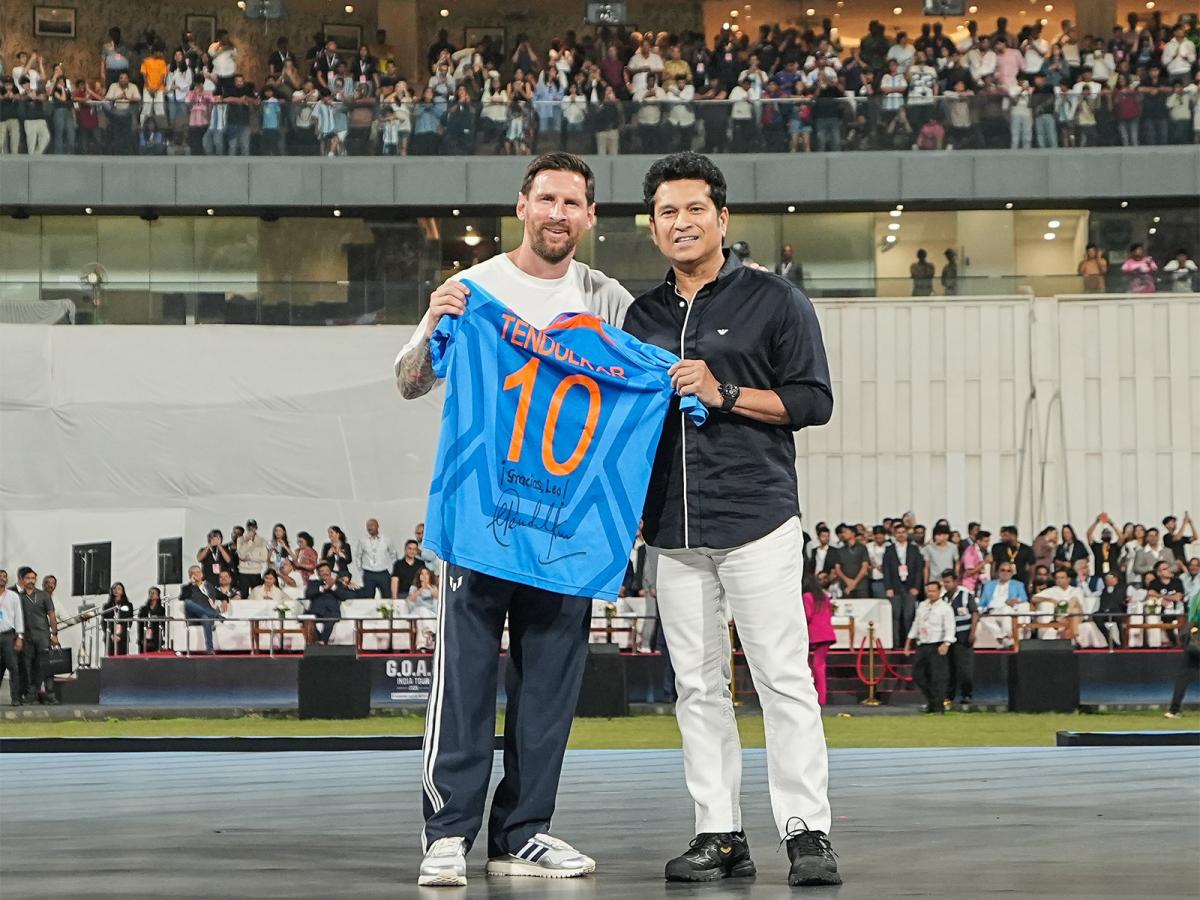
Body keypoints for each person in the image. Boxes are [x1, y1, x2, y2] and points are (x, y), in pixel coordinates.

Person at [394, 153, 633, 887]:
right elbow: (409, 381)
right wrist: (435, 320)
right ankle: (447, 834)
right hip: (482, 520)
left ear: (589, 216)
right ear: (522, 205)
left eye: (573, 202)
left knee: (550, 690)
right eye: (547, 198)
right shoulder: (474, 289)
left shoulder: (608, 298)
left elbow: (643, 386)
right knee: (464, 681)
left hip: (566, 528)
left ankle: (523, 833)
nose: (559, 213)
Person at [622, 152, 840, 888]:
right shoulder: (641, 317)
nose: (680, 223)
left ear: (722, 218)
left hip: (756, 518)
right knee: (696, 688)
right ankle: (719, 833)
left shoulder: (776, 301)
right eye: (666, 212)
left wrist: (725, 393)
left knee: (782, 679)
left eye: (694, 209)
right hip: (673, 531)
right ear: (653, 227)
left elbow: (813, 401)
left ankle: (807, 833)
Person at [904, 581, 956, 713]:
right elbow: (916, 623)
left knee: (938, 677)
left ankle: (938, 706)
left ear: (939, 592)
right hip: (923, 644)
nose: (931, 594)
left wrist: (946, 643)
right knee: (918, 675)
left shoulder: (945, 608)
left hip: (937, 644)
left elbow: (950, 627)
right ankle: (931, 700)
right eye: (929, 591)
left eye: (933, 591)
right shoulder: (922, 605)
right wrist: (908, 641)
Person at [15, 567, 58, 704]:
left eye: (33, 578)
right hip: (26, 637)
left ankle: (50, 694)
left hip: (43, 636)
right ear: (22, 580)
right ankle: (31, 694)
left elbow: (52, 615)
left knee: (47, 665)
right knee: (28, 667)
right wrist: (19, 637)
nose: (31, 581)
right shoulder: (18, 597)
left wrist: (54, 634)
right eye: (28, 578)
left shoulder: (44, 595)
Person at [941, 569, 977, 708]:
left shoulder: (966, 596)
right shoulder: (943, 599)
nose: (946, 585)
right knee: (949, 669)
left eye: (948, 582)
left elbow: (975, 613)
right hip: (948, 639)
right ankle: (948, 696)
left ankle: (966, 695)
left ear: (956, 581)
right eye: (944, 582)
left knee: (965, 669)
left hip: (963, 636)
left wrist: (972, 632)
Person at [884, 522, 924, 648]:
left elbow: (919, 570)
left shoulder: (914, 549)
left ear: (907, 534)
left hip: (910, 587)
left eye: (903, 532)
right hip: (894, 587)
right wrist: (888, 587)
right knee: (895, 616)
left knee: (909, 616)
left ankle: (909, 643)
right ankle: (896, 644)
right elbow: (886, 570)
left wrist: (916, 587)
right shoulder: (889, 549)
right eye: (898, 533)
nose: (901, 535)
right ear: (894, 534)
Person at [1164, 595, 1200, 719]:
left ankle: (1173, 710)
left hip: (1192, 640)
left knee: (1183, 677)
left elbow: (1192, 618)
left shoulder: (1196, 596)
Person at [803, 573, 836, 705]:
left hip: (815, 633)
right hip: (827, 633)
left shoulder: (807, 596)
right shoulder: (824, 597)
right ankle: (821, 698)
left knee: (811, 665)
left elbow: (808, 615)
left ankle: (813, 697)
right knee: (820, 665)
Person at [180, 565, 224, 653]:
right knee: (187, 602)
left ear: (202, 574)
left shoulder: (208, 586)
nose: (197, 574)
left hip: (205, 615)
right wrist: (193, 584)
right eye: (194, 573)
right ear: (191, 575)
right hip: (193, 616)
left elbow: (221, 595)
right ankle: (215, 614)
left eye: (199, 572)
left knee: (205, 618)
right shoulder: (187, 588)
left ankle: (210, 649)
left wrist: (225, 600)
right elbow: (182, 597)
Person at [305, 563, 350, 644]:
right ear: (318, 574)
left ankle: (322, 641)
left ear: (330, 572)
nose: (325, 573)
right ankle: (318, 640)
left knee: (330, 619)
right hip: (316, 611)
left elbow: (343, 596)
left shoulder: (338, 584)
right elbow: (308, 594)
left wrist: (332, 587)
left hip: (331, 612)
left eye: (327, 571)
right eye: (322, 571)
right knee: (306, 618)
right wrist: (322, 588)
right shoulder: (313, 583)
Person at [0, 573, 25, 706]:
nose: (2, 578)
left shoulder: (13, 596)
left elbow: (18, 616)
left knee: (13, 667)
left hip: (8, 636)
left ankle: (15, 698)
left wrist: (19, 636)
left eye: (4, 576)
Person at [358, 518, 398, 599]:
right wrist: (361, 571)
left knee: (387, 597)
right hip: (368, 573)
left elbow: (393, 554)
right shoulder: (362, 541)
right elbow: (358, 556)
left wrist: (390, 570)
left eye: (372, 525)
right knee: (368, 598)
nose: (369, 527)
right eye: (368, 526)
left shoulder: (387, 539)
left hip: (383, 573)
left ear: (377, 526)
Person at [236, 519, 269, 597]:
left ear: (256, 528)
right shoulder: (240, 539)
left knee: (256, 595)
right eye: (249, 527)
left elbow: (264, 558)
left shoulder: (261, 540)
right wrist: (246, 542)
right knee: (243, 595)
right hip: (243, 572)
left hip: (256, 572)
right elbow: (241, 556)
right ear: (247, 528)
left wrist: (251, 558)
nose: (251, 529)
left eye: (253, 527)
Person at [102, 582, 135, 657]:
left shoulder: (128, 605)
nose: (116, 590)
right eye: (114, 588)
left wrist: (120, 635)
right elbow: (104, 622)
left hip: (123, 636)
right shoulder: (107, 606)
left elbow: (129, 622)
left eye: (119, 589)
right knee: (110, 657)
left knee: (122, 658)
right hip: (110, 636)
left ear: (123, 591)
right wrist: (111, 634)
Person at [137, 587, 167, 653]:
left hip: (155, 636)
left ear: (158, 596)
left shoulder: (161, 609)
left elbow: (162, 623)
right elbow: (140, 624)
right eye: (150, 593)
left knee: (155, 654)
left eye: (153, 593)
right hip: (145, 634)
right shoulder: (143, 609)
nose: (151, 594)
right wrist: (140, 638)